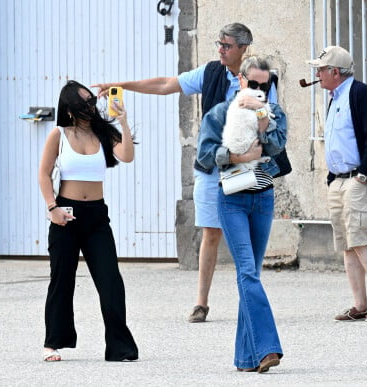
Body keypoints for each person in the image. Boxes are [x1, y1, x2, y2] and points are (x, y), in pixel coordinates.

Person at [92, 23, 277, 323]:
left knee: (247, 234)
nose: (220, 49)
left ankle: (250, 299)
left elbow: (272, 121)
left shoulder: (263, 78)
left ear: (244, 48)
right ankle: (201, 303)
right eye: (219, 43)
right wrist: (122, 84)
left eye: (227, 45)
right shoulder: (209, 72)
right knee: (211, 232)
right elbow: (167, 85)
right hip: (211, 166)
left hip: (244, 165)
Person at [38, 80, 138, 361]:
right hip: (65, 215)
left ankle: (120, 346)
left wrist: (123, 121)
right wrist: (53, 207)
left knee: (110, 281)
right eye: (85, 102)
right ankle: (53, 343)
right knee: (62, 279)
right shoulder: (58, 134)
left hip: (96, 215)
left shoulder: (103, 133)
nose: (91, 107)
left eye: (92, 101)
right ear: (70, 109)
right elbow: (44, 174)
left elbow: (127, 156)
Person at [196, 56, 285, 372]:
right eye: (254, 83)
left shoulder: (274, 113)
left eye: (265, 84)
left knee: (252, 276)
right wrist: (236, 155)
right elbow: (205, 156)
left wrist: (262, 122)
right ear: (241, 81)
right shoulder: (220, 113)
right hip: (232, 199)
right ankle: (267, 349)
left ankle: (245, 358)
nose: (260, 89)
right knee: (247, 272)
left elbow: (277, 146)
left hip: (262, 197)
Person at [307, 46, 367, 321]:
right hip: (338, 180)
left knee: (359, 238)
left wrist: (364, 174)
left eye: (321, 69)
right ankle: (360, 304)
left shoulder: (360, 94)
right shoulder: (335, 97)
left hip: (358, 178)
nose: (317, 74)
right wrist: (331, 177)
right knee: (346, 243)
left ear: (335, 72)